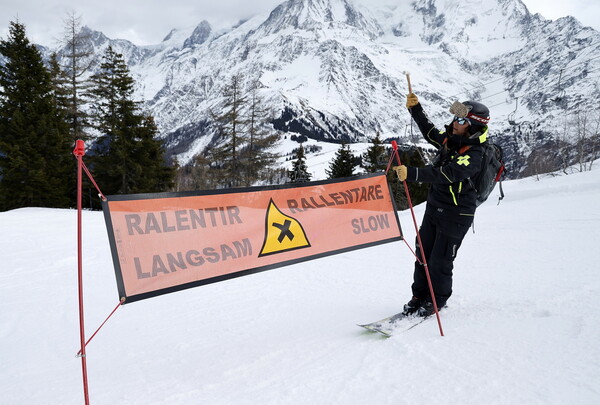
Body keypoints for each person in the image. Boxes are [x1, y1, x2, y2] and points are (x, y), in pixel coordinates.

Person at [393, 93, 490, 317]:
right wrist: (415, 109)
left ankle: (437, 299)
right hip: (434, 207)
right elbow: (429, 131)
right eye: (456, 118)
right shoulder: (450, 139)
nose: (456, 123)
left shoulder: (476, 153)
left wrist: (412, 173)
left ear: (473, 125)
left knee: (440, 260)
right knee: (422, 254)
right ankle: (419, 295)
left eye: (462, 121)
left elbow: (449, 174)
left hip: (457, 214)